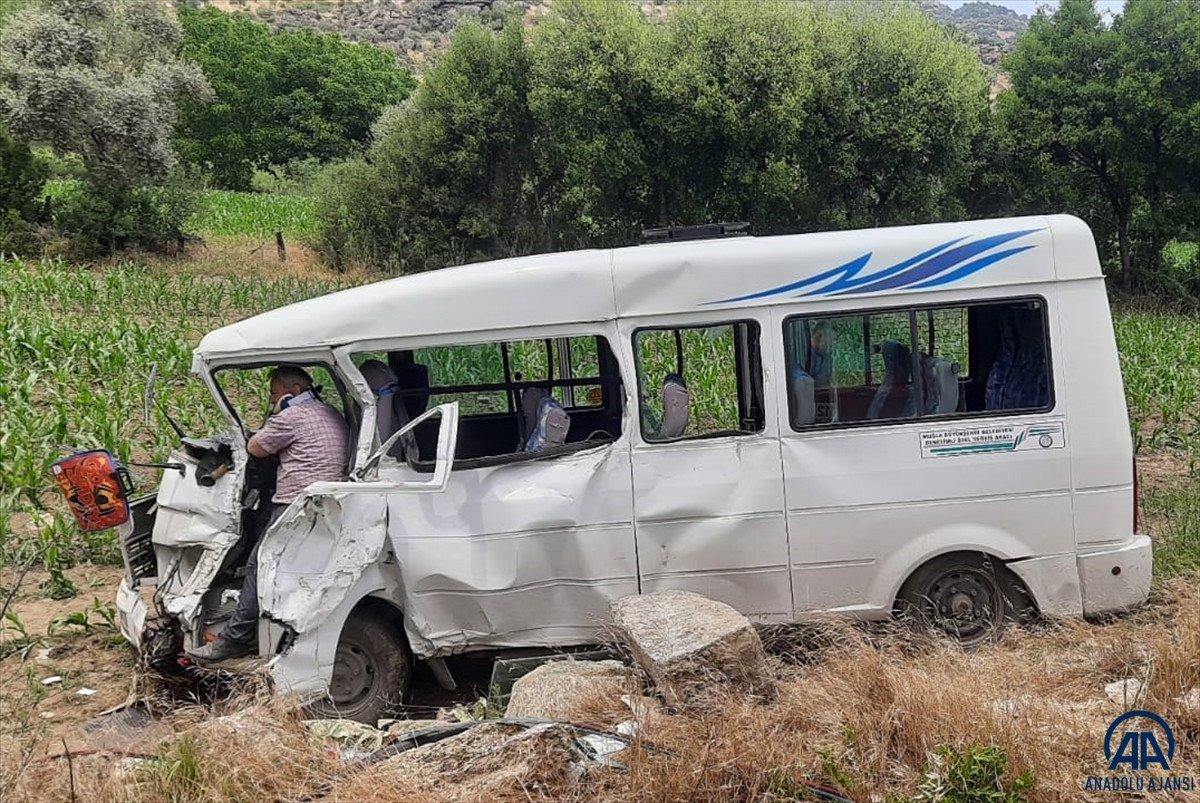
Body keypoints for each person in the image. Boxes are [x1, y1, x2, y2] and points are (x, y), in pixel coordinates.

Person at [189, 365, 350, 662]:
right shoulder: (330, 413)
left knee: (258, 565)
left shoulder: (290, 416)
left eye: (274, 394)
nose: (270, 399)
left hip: (294, 504)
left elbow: (256, 447)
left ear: (294, 392)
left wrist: (276, 412)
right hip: (326, 502)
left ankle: (235, 639)